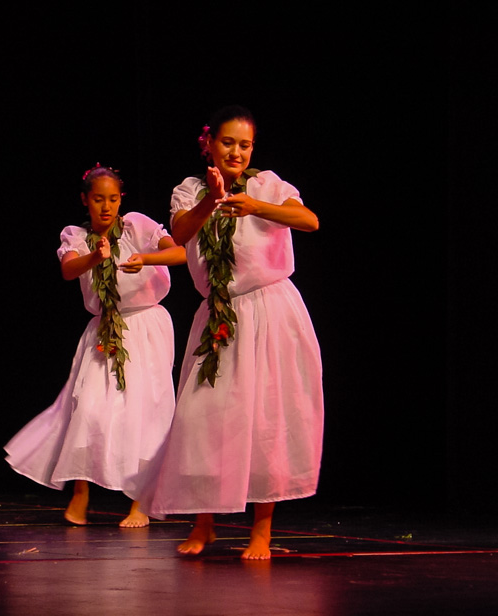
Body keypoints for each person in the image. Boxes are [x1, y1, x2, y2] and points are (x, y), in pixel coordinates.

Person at [137, 106, 322, 560]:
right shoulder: (190, 189)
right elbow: (180, 234)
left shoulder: (268, 185)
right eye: (228, 143)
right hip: (219, 316)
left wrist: (257, 206)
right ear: (209, 144)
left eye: (245, 145)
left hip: (272, 311)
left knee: (269, 419)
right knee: (204, 418)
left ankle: (262, 530)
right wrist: (211, 201)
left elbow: (309, 221)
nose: (236, 152)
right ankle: (206, 523)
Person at [5, 164, 185, 528]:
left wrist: (146, 258)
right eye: (98, 199)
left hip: (146, 325)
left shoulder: (136, 225)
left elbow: (180, 253)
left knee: (146, 413)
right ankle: (81, 494)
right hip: (103, 328)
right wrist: (95, 257)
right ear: (85, 200)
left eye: (113, 199)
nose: (107, 207)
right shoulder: (76, 235)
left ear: (122, 200)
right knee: (87, 408)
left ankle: (140, 502)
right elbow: (69, 270)